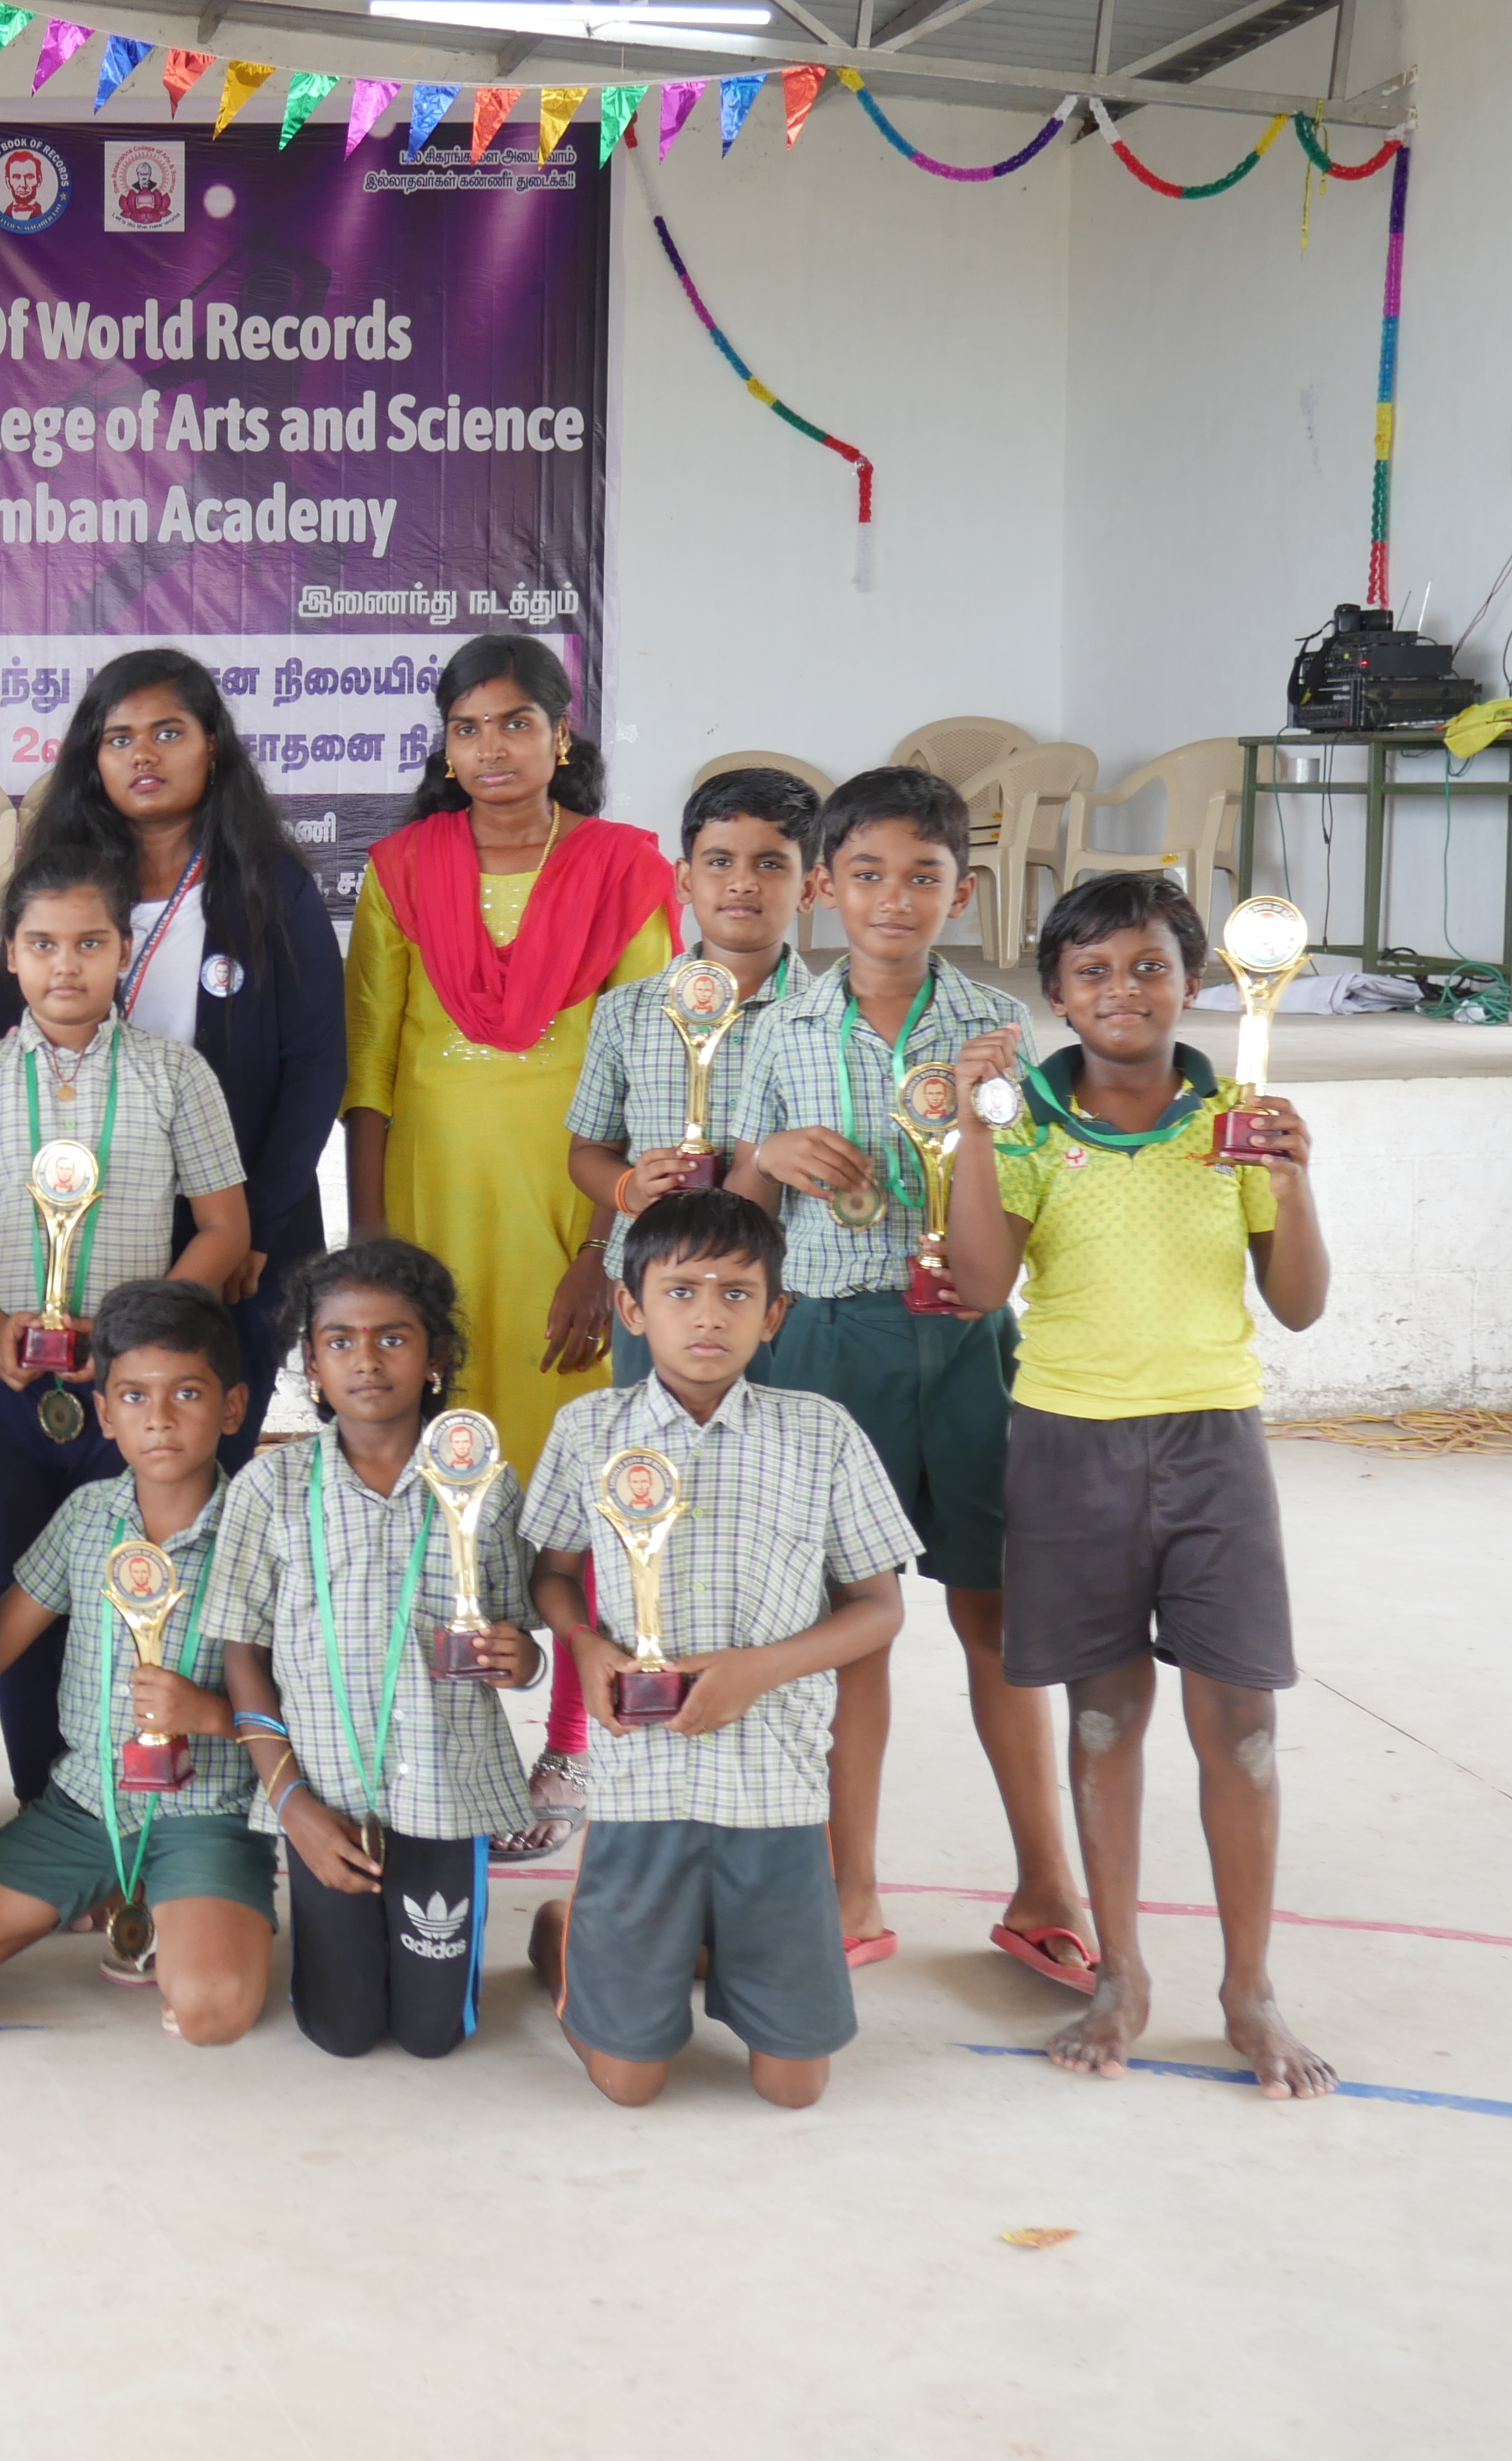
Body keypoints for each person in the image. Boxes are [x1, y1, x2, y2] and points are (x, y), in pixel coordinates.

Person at [936, 873, 1337, 2096]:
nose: (1124, 990)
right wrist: (973, 1131)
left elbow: (1300, 1302)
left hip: (1214, 1444)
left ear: (1195, 981)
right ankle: (1120, 1975)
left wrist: (1292, 1173)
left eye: (1149, 965)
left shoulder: (1238, 1118)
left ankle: (1247, 1989)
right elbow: (970, 1281)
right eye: (1094, 971)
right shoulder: (1034, 1127)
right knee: (1103, 1718)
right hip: (1066, 1447)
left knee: (1245, 1729)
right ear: (1053, 993)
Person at [729, 766, 1091, 1985]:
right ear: (822, 886)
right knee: (855, 1627)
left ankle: (1045, 1878)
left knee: (994, 1619)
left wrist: (991, 1111)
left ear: (963, 890)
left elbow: (1028, 1200)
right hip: (830, 1346)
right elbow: (733, 1226)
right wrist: (764, 1158)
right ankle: (849, 1881)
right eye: (868, 874)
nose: (894, 899)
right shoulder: (772, 1032)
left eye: (923, 877)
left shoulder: (996, 1032)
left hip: (973, 1343)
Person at [342, 633, 677, 1859]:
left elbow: (647, 1064)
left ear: (561, 735)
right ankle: (452, 1735)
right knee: (442, 1487)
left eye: (515, 723)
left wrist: (606, 1248)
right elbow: (368, 1063)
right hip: (431, 1209)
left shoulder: (626, 870)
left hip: (568, 1213)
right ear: (445, 744)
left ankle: (574, 1742)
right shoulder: (400, 867)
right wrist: (368, 1249)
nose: (493, 749)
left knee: (579, 1488)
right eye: (469, 727)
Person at [523, 1192, 916, 2110]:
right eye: (681, 1289)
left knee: (793, 2085)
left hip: (772, 1784)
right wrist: (583, 1645)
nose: (708, 1313)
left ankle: (691, 1940)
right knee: (627, 2082)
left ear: (775, 1312)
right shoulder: (588, 1431)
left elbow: (878, 1608)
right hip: (639, 1782)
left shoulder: (819, 1434)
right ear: (631, 1307)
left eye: (737, 1294)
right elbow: (548, 1574)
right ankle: (564, 1933)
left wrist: (756, 1670)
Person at [0, 842, 249, 1802]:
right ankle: (46, 1808)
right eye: (42, 944)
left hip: (128, 1397)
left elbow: (225, 1228)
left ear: (123, 951)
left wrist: (138, 1341)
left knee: (135, 1594)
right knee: (22, 1591)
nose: (65, 965)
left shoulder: (178, 1076)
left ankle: (125, 1801)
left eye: (89, 942)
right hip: (0, 1385)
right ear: (8, 954)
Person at [0, 650, 347, 1464]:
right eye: (118, 739)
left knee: (199, 1451)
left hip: (235, 1226)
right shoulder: (53, 890)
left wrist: (252, 1224)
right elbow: (7, 1052)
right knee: (86, 1452)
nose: (142, 755)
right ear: (93, 758)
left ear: (211, 745)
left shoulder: (270, 887)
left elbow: (316, 1066)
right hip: (85, 1224)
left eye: (166, 732)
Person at [207, 1242, 541, 2060]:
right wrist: (292, 1806)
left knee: (433, 2035)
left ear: (437, 1357)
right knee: (340, 2029)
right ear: (310, 1364)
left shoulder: (485, 1484)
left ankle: (557, 1931)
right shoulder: (268, 1489)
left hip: (443, 1789)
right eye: (339, 1341)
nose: (366, 1360)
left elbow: (521, 1641)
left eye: (393, 1337)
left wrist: (518, 1657)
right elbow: (242, 1654)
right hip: (321, 1792)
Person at [0, 1281, 274, 2045]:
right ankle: (129, 1901)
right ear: (103, 1414)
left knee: (210, 2011)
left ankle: (180, 1909)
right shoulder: (87, 1515)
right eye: (131, 1395)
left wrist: (208, 1715)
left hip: (209, 1815)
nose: (157, 1418)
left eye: (185, 1392)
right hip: (81, 1808)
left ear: (231, 1407)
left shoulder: (266, 1531)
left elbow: (315, 1705)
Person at [567, 767, 819, 1385]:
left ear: (811, 886)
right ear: (683, 879)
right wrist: (630, 1189)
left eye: (770, 864)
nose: (742, 882)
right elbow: (586, 1152)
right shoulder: (627, 1012)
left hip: (787, 1294)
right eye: (719, 861)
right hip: (659, 1292)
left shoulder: (832, 1021)